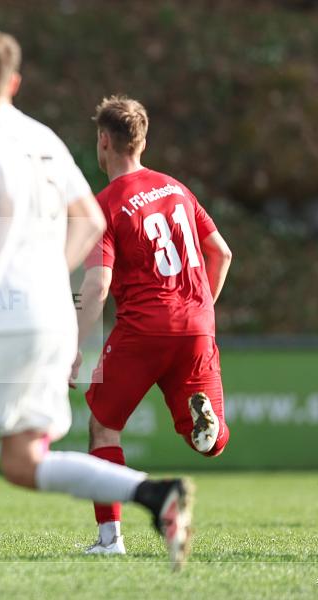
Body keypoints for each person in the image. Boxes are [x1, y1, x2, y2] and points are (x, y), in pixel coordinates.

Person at [0, 28, 195, 600]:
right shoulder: (45, 136)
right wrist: (54, 276)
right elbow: (90, 222)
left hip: (11, 311)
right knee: (24, 461)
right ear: (15, 81)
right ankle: (155, 494)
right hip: (50, 312)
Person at [74, 95, 233, 555]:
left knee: (104, 427)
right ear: (142, 141)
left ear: (104, 141)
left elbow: (98, 285)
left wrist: (75, 346)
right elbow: (221, 253)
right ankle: (209, 427)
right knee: (208, 443)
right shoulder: (176, 188)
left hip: (143, 329)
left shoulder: (103, 205)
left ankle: (111, 540)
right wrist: (200, 309)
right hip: (196, 324)